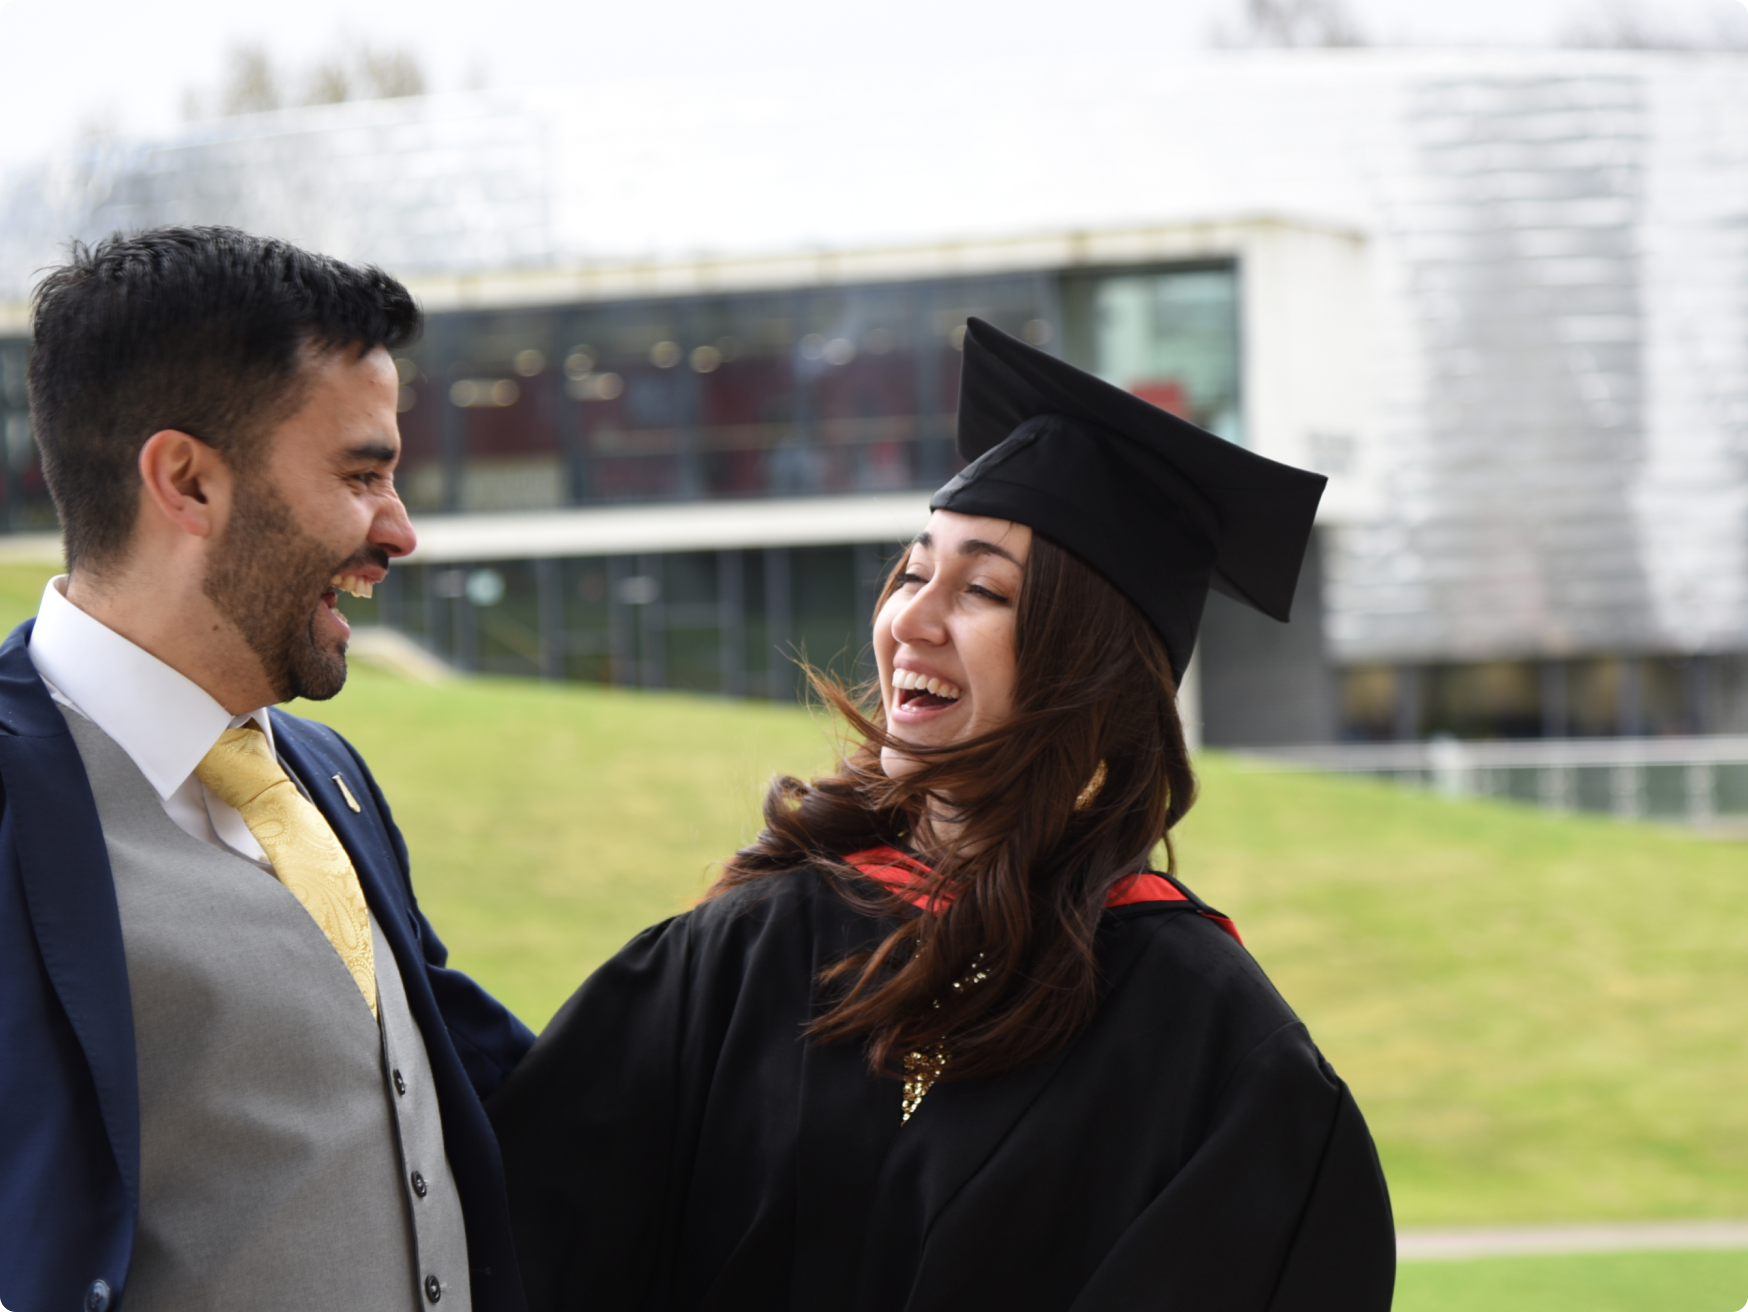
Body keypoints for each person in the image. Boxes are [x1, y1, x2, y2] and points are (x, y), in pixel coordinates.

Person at [488, 318, 1395, 1310]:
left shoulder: (1205, 1039)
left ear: (1085, 669)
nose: (910, 619)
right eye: (913, 571)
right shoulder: (742, 953)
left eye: (982, 591)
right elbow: (531, 1244)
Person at [0, 228, 534, 1312]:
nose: (400, 530)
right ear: (188, 482)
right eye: (362, 473)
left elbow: (486, 1086)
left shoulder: (324, 773)